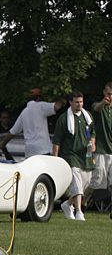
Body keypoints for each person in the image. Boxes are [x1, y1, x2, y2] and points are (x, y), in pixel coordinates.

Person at [53, 91, 94, 221]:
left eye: (81, 102)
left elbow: (92, 133)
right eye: (76, 102)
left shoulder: (87, 116)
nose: (79, 104)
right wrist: (55, 159)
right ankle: (79, 212)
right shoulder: (64, 119)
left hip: (85, 156)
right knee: (77, 185)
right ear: (70, 102)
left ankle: (68, 204)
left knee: (86, 184)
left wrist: (93, 144)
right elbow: (57, 140)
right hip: (70, 155)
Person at [6, 88, 66, 158]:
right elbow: (56, 106)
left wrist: (3, 143)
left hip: (30, 150)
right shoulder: (40, 106)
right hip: (42, 149)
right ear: (38, 98)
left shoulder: (24, 112)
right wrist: (62, 101)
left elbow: (13, 131)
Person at [84, 81, 112, 215]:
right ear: (104, 93)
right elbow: (96, 109)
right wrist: (104, 102)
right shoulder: (99, 106)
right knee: (97, 179)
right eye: (109, 94)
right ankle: (83, 200)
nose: (110, 97)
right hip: (101, 149)